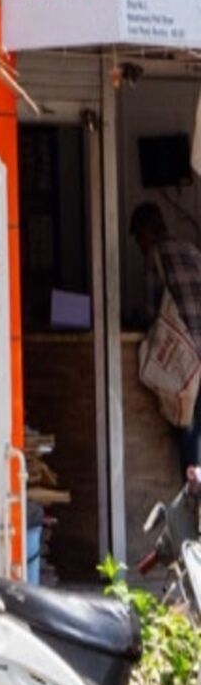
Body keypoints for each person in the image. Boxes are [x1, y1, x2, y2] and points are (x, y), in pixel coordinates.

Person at [130, 201, 201, 489]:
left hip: (187, 363)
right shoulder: (193, 252)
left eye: (138, 238)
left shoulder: (156, 257)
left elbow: (151, 314)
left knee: (187, 429)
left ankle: (194, 499)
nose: (140, 245)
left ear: (147, 232)